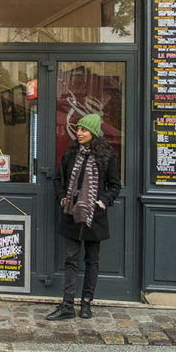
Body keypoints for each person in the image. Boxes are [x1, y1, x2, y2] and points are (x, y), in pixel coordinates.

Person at [46, 113, 121, 321]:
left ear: (93, 133)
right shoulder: (70, 153)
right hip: (71, 214)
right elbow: (59, 178)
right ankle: (67, 304)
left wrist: (102, 202)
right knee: (71, 260)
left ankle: (87, 302)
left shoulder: (106, 156)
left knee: (92, 261)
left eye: (83, 130)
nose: (79, 133)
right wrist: (62, 197)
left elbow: (115, 185)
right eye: (78, 129)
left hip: (93, 217)